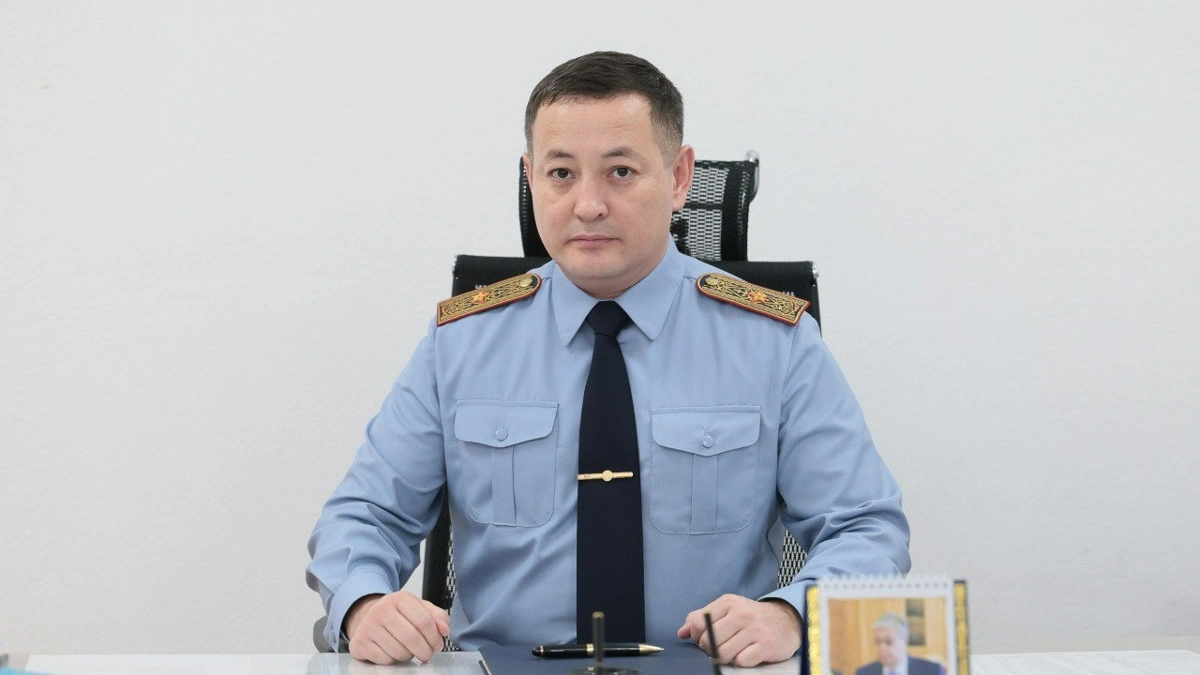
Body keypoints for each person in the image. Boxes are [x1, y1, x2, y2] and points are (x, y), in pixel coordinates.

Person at [306, 50, 911, 668]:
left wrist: (791, 614)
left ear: (680, 178)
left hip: (702, 670)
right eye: (561, 173)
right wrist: (365, 605)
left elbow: (866, 529)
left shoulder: (774, 342)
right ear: (531, 178)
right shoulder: (460, 342)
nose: (588, 204)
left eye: (620, 171)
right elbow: (364, 514)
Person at [854, 613, 945, 675]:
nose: (882, 648)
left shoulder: (931, 671)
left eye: (888, 642)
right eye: (877, 642)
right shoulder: (864, 673)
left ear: (905, 642)